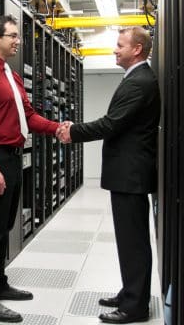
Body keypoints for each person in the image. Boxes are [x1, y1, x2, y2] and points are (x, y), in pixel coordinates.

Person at [57, 26, 161, 324]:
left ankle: (134, 306)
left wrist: (72, 132)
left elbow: (110, 124)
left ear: (137, 49)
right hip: (130, 173)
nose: (114, 50)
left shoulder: (140, 82)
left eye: (119, 45)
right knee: (131, 239)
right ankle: (131, 292)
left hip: (131, 174)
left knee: (133, 241)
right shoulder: (138, 78)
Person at [0, 15, 60, 323]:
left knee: (4, 226)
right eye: (13, 36)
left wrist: (57, 128)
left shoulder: (10, 74)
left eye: (18, 36)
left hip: (13, 156)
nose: (18, 41)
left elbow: (28, 116)